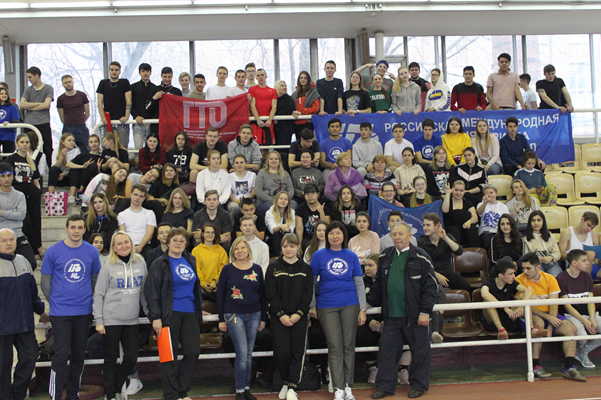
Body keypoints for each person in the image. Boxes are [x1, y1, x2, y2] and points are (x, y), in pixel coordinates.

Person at [368, 221, 437, 400]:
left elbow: (431, 287)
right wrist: (366, 304)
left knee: (420, 352)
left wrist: (425, 311)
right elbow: (378, 285)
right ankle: (384, 387)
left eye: (401, 234)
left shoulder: (422, 257)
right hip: (391, 316)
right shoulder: (385, 256)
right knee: (386, 352)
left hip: (416, 317)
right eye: (394, 234)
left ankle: (418, 386)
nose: (397, 237)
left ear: (409, 236)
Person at [40, 214, 102, 400]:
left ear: (84, 230)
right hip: (61, 313)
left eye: (80, 227)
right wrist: (56, 302)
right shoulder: (53, 251)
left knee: (78, 356)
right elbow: (45, 282)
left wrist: (89, 301)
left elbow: (95, 279)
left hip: (83, 312)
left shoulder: (91, 251)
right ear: (66, 229)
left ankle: (73, 395)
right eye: (73, 227)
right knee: (60, 355)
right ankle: (55, 396)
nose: (76, 231)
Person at [144, 227, 203, 400]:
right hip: (168, 314)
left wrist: (199, 308)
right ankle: (171, 395)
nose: (178, 243)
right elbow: (151, 292)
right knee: (168, 356)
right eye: (175, 240)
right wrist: (155, 317)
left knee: (193, 352)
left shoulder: (190, 259)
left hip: (190, 312)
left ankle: (181, 391)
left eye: (182, 241)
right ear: (168, 242)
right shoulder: (159, 263)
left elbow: (195, 287)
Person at [310, 221, 366, 400]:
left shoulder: (351, 255)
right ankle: (338, 388)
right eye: (331, 233)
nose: (335, 236)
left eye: (338, 233)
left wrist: (362, 308)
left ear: (344, 236)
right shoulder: (318, 255)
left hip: (350, 304)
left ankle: (348, 386)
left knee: (348, 345)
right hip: (326, 305)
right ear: (327, 236)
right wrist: (312, 304)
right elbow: (311, 283)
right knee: (335, 346)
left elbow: (359, 283)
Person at [93, 231, 147, 400]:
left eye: (126, 242)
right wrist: (99, 320)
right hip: (111, 319)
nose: (124, 246)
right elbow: (98, 294)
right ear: (114, 248)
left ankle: (115, 387)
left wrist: (149, 312)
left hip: (132, 319)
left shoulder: (140, 262)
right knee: (110, 359)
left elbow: (143, 291)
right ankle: (111, 395)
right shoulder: (108, 266)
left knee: (131, 357)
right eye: (119, 244)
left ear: (131, 243)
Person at [516, 252, 584, 381]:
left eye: (528, 268)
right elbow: (526, 305)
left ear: (538, 267)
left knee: (571, 329)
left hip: (549, 315)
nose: (525, 271)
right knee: (539, 324)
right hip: (530, 314)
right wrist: (548, 319)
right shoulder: (519, 280)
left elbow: (553, 305)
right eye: (523, 268)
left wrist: (551, 327)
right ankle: (535, 366)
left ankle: (569, 367)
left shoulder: (550, 279)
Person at [217, 237, 268, 400]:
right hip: (234, 315)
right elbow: (220, 295)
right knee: (242, 353)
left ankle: (246, 388)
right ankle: (239, 390)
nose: (240, 251)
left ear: (248, 250)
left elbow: (262, 294)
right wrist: (221, 319)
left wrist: (263, 318)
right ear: (233, 252)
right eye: (237, 248)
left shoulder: (257, 269)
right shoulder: (227, 269)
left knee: (248, 353)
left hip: (254, 314)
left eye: (243, 248)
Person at [0, 228, 47, 400]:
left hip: (24, 324)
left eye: (11, 240)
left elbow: (32, 292)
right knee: (2, 367)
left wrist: (40, 311)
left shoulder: (23, 261)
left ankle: (18, 394)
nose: (8, 243)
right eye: (4, 240)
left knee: (30, 356)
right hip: (3, 327)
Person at [265, 234, 313, 400]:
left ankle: (292, 386)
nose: (288, 249)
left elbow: (307, 294)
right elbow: (271, 294)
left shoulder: (305, 269)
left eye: (292, 246)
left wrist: (298, 314)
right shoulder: (273, 267)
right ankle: (285, 381)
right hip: (279, 318)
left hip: (299, 318)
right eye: (285, 246)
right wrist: (281, 314)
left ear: (298, 247)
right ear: (281, 248)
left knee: (297, 352)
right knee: (281, 352)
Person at [558, 249, 601, 369]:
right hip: (572, 315)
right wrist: (584, 321)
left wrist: (592, 318)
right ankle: (579, 351)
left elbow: (590, 301)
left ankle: (582, 352)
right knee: (581, 337)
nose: (588, 263)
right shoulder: (561, 279)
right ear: (574, 263)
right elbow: (567, 306)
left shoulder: (587, 276)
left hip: (589, 313)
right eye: (584, 260)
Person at [480, 257, 541, 339]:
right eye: (510, 274)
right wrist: (504, 307)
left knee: (523, 296)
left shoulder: (512, 283)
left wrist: (521, 306)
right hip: (491, 321)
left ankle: (531, 328)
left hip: (508, 316)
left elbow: (529, 292)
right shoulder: (488, 282)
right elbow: (484, 294)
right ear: (501, 275)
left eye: (514, 273)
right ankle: (501, 330)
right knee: (487, 301)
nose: (514, 276)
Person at [6, 133, 43, 260]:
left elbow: (36, 180)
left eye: (27, 142)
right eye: (22, 142)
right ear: (16, 144)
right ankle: (38, 247)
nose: (25, 144)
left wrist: (38, 192)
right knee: (26, 223)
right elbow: (8, 178)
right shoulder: (11, 159)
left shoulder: (31, 161)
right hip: (18, 192)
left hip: (32, 193)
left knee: (36, 221)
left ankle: (36, 252)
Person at [419, 212, 470, 292]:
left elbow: (459, 251)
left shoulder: (447, 237)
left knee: (465, 286)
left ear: (437, 226)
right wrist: (437, 275)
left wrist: (445, 238)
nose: (425, 228)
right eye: (424, 225)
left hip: (447, 272)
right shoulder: (421, 242)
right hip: (430, 274)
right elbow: (422, 264)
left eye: (428, 225)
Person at [0, 163, 37, 269]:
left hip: (18, 235)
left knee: (31, 264)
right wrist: (13, 212)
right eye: (3, 176)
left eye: (9, 175)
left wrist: (2, 213)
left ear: (13, 176)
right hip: (0, 236)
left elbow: (21, 216)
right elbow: (17, 215)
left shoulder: (20, 195)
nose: (6, 179)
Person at [20, 66, 54, 168]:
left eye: (30, 77)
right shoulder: (28, 90)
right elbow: (22, 105)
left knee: (48, 148)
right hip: (29, 123)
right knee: (29, 147)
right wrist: (39, 104)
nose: (28, 79)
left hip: (43, 122)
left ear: (37, 76)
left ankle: (51, 172)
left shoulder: (48, 88)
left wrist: (30, 106)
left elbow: (46, 105)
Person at [96, 61, 132, 148]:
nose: (114, 72)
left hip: (121, 120)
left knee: (123, 146)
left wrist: (126, 116)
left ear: (120, 71)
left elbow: (129, 101)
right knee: (106, 147)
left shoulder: (124, 82)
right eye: (112, 70)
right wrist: (103, 117)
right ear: (109, 71)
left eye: (116, 70)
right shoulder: (103, 83)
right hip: (107, 120)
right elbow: (100, 102)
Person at [118, 184, 157, 259]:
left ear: (144, 198)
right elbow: (122, 234)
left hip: (145, 245)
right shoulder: (122, 215)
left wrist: (140, 246)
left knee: (149, 255)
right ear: (130, 195)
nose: (137, 198)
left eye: (141, 196)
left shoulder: (150, 213)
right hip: (127, 245)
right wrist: (130, 247)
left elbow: (150, 233)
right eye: (135, 194)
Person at [192, 222, 228, 301]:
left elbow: (223, 268)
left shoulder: (221, 251)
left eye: (212, 232)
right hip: (200, 286)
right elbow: (196, 269)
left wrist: (215, 281)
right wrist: (203, 283)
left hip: (216, 285)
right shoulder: (196, 251)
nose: (210, 234)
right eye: (207, 232)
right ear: (203, 234)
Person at [57, 74, 90, 153]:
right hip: (68, 127)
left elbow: (87, 113)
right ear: (63, 84)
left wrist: (80, 121)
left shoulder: (82, 95)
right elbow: (61, 117)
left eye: (69, 82)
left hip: (81, 127)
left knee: (85, 150)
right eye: (66, 83)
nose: (68, 84)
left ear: (73, 82)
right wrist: (69, 122)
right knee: (68, 151)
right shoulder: (60, 99)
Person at [523, 211, 563, 276]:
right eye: (533, 220)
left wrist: (550, 258)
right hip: (535, 264)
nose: (536, 223)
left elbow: (557, 253)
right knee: (541, 277)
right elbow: (525, 256)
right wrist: (536, 259)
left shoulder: (551, 237)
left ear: (543, 222)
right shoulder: (525, 239)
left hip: (551, 263)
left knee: (555, 277)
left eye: (539, 220)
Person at [256, 151, 295, 215]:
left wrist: (284, 200)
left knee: (294, 204)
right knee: (273, 208)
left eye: (276, 159)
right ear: (268, 161)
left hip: (283, 200)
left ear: (279, 161)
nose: (273, 160)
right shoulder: (262, 173)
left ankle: (287, 221)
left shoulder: (285, 174)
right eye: (271, 159)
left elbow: (291, 191)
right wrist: (273, 200)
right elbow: (258, 191)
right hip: (266, 202)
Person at [442, 180, 479, 248]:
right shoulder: (447, 201)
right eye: (456, 190)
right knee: (454, 230)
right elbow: (445, 210)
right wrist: (448, 194)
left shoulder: (467, 202)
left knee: (472, 229)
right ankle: (456, 252)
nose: (459, 193)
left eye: (461, 191)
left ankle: (475, 252)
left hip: (465, 229)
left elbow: (475, 217)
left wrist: (469, 222)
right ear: (452, 190)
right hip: (452, 231)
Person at [147, 67, 183, 135]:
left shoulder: (177, 91)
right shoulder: (154, 89)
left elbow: (180, 109)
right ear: (161, 76)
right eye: (165, 76)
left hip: (172, 123)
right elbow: (148, 109)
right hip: (157, 123)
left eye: (169, 77)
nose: (167, 79)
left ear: (172, 76)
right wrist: (154, 98)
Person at [47, 132, 81, 204]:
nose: (72, 142)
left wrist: (64, 174)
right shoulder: (56, 150)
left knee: (74, 170)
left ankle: (72, 196)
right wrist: (62, 156)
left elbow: (76, 167)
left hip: (71, 177)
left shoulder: (76, 151)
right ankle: (50, 196)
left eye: (73, 141)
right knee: (53, 170)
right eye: (69, 140)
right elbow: (55, 166)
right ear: (63, 142)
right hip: (59, 177)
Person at [295, 184, 330, 250]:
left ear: (318, 194)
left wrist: (321, 212)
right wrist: (299, 246)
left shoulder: (324, 208)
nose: (310, 196)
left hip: (322, 237)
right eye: (307, 194)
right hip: (307, 238)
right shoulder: (300, 209)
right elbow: (299, 229)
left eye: (313, 193)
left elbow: (327, 227)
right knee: (311, 246)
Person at [130, 63, 155, 149]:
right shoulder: (133, 87)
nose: (145, 73)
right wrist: (136, 116)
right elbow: (130, 104)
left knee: (151, 149)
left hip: (151, 123)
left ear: (150, 72)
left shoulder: (155, 88)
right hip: (137, 123)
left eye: (147, 71)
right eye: (143, 71)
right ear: (139, 73)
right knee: (138, 148)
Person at [249, 69, 278, 145]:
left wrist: (270, 120)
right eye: (258, 75)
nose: (260, 77)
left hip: (268, 121)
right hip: (256, 121)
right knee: (255, 145)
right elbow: (252, 105)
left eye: (262, 75)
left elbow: (274, 106)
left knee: (267, 145)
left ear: (266, 76)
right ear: (256, 78)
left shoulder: (273, 91)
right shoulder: (252, 89)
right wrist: (258, 120)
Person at [477, 184, 509, 250]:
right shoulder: (481, 204)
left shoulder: (503, 206)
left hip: (499, 231)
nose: (489, 195)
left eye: (491, 192)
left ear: (496, 193)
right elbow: (479, 212)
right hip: (486, 232)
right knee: (487, 243)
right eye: (486, 193)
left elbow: (507, 219)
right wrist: (485, 203)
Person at [266, 191, 296, 257]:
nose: (283, 201)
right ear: (276, 200)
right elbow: (272, 229)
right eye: (281, 198)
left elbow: (292, 228)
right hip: (273, 238)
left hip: (287, 235)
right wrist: (281, 227)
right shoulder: (269, 212)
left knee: (288, 235)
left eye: (285, 199)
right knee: (277, 234)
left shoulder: (292, 212)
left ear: (288, 202)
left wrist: (287, 228)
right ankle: (279, 257)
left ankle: (290, 256)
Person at [291, 71, 319, 136]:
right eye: (301, 78)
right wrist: (292, 112)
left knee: (307, 141)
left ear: (308, 80)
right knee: (299, 141)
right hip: (296, 122)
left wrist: (301, 112)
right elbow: (291, 107)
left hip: (308, 121)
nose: (303, 80)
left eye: (305, 78)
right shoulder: (294, 94)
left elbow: (315, 108)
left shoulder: (313, 92)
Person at [273, 80, 296, 148]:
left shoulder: (288, 98)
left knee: (284, 147)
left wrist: (277, 116)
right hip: (276, 127)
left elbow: (289, 110)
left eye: (285, 86)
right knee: (277, 147)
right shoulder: (274, 99)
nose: (285, 87)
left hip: (286, 127)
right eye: (282, 86)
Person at [0, 87, 20, 154]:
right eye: (2, 93)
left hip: (8, 136)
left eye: (5, 93)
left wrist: (9, 124)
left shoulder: (13, 108)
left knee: (8, 156)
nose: (4, 95)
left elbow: (16, 122)